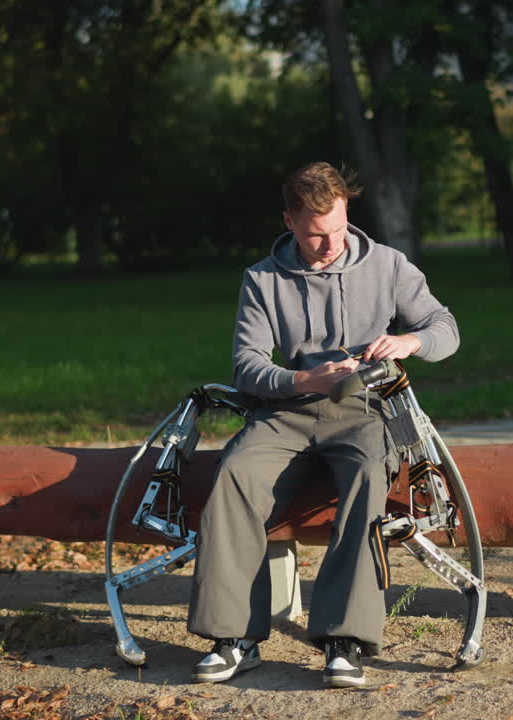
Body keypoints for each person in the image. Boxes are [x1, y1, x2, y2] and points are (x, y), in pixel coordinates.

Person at [186, 162, 460, 688]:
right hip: (286, 410)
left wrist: (410, 343)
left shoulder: (388, 265)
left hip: (363, 411)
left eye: (336, 229)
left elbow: (445, 328)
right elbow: (246, 366)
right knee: (234, 476)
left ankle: (344, 639)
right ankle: (234, 637)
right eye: (315, 234)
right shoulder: (262, 278)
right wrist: (302, 380)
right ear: (288, 220)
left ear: (346, 212)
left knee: (366, 477)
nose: (330, 244)